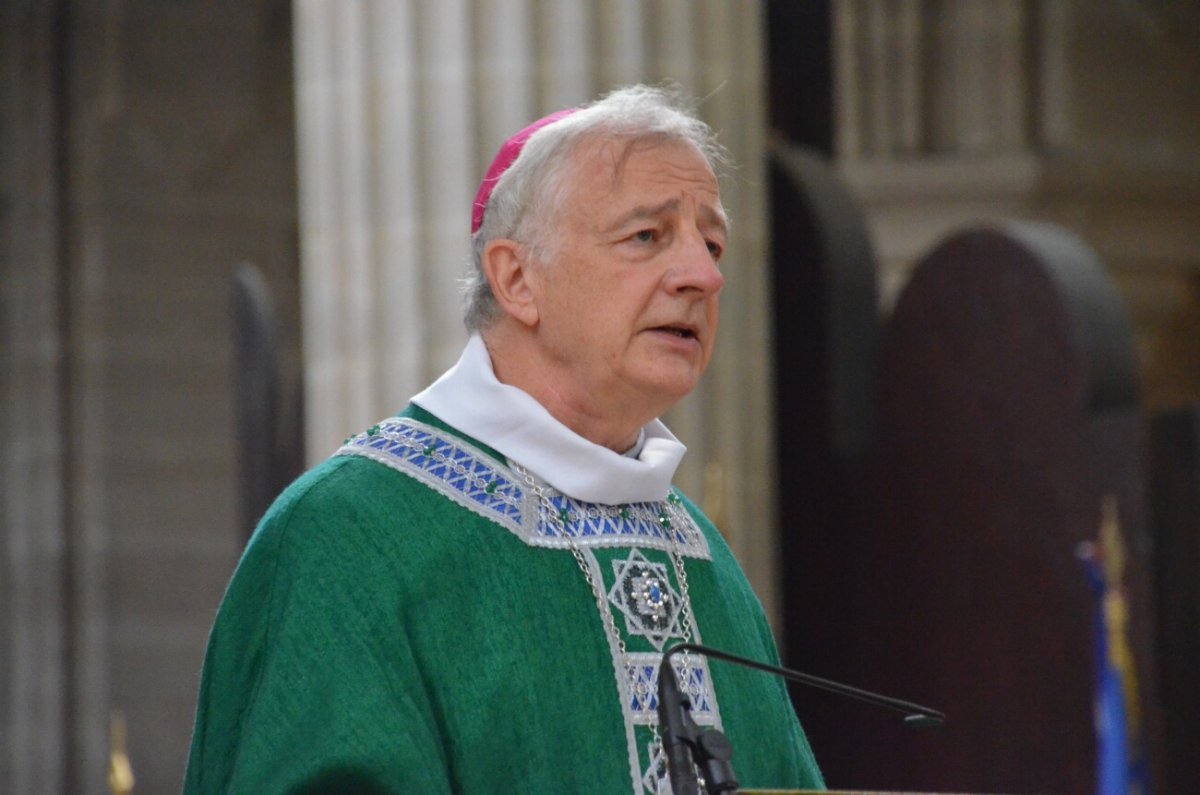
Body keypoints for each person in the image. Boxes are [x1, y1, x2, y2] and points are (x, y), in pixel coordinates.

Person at [184, 84, 823, 794]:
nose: (704, 275)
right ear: (517, 280)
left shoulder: (699, 554)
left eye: (711, 241)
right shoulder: (348, 537)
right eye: (647, 235)